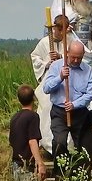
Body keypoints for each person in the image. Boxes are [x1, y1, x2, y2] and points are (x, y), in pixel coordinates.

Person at [42, 39, 92, 162]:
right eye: (73, 57)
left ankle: (80, 174)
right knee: (60, 142)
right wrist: (60, 77)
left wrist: (74, 104)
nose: (76, 60)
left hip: (80, 113)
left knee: (81, 146)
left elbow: (90, 94)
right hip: (59, 112)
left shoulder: (88, 70)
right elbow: (46, 88)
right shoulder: (56, 66)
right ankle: (60, 174)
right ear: (67, 53)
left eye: (79, 58)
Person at [8, 84, 47, 181]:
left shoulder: (15, 118)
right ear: (34, 99)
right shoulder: (32, 117)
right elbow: (32, 141)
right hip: (26, 167)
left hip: (15, 164)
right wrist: (40, 163)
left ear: (19, 100)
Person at [28, 15, 68, 156]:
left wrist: (61, 58)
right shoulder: (45, 43)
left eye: (62, 30)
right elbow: (35, 57)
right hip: (48, 81)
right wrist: (47, 63)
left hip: (64, 81)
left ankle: (65, 144)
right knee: (46, 109)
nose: (59, 34)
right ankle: (46, 143)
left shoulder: (69, 42)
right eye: (57, 30)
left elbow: (76, 58)